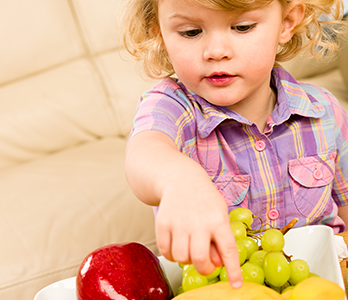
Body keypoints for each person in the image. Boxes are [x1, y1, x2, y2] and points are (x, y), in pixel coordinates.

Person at [122, 0, 348, 289]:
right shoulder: (171, 106)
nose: (216, 51)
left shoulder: (323, 111)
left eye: (242, 27)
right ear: (159, 34)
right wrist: (179, 181)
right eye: (191, 32)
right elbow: (145, 150)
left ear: (287, 22)